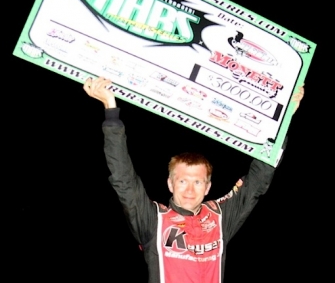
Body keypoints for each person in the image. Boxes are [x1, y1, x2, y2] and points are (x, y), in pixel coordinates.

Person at [83, 76, 304, 283]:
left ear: (208, 187)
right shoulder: (153, 219)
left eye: (197, 182)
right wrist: (111, 110)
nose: (189, 190)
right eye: (182, 181)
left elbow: (259, 179)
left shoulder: (219, 217)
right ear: (170, 184)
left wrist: (284, 121)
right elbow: (124, 180)